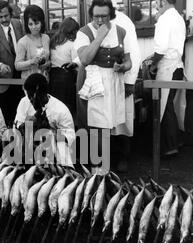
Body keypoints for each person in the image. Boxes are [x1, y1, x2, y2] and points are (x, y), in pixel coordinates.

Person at [74, 0, 132, 172]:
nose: (99, 20)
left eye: (103, 16)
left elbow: (128, 61)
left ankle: (104, 169)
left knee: (108, 124)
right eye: (96, 16)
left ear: (111, 15)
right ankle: (94, 170)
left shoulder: (121, 32)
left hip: (112, 82)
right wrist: (99, 36)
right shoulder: (84, 33)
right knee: (92, 124)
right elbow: (84, 59)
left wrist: (123, 67)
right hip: (91, 82)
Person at [149, 0, 186, 157]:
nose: (157, 5)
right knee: (169, 105)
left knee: (164, 107)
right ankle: (175, 141)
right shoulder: (178, 17)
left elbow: (161, 49)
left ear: (163, 1)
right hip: (177, 67)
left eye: (158, 2)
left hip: (168, 68)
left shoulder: (164, 19)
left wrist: (152, 63)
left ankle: (169, 146)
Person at [14, 73, 76, 167]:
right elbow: (17, 128)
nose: (30, 99)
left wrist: (52, 132)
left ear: (42, 93)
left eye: (32, 96)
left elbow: (70, 135)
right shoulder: (24, 102)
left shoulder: (60, 109)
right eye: (28, 95)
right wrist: (27, 125)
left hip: (54, 150)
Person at [111, 0, 142, 171]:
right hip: (103, 80)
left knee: (122, 120)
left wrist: (130, 81)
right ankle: (108, 157)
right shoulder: (95, 21)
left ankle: (124, 157)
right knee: (105, 120)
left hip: (122, 78)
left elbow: (134, 53)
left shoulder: (123, 21)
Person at [0, 0, 25, 127]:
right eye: (0, 17)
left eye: (6, 16)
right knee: (6, 115)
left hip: (21, 76)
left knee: (22, 112)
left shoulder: (18, 24)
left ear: (11, 14)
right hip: (3, 81)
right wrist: (0, 66)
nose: (3, 19)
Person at [49, 17, 80, 118]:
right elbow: (76, 64)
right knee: (67, 110)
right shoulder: (72, 44)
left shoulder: (53, 42)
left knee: (55, 108)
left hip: (53, 77)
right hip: (67, 78)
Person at [15, 5, 51, 82]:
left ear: (42, 22)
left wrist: (47, 64)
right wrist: (31, 62)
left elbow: (50, 60)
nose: (34, 27)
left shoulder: (46, 38)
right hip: (29, 82)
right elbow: (17, 65)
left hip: (45, 80)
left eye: (37, 23)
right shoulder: (22, 42)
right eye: (30, 24)